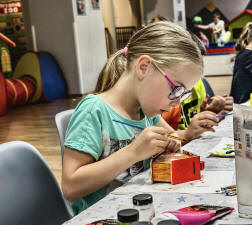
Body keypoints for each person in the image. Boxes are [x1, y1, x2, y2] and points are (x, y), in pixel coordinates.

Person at [62, 21, 219, 215]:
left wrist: (181, 137)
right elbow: (70, 187)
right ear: (144, 67)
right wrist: (133, 152)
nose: (177, 103)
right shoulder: (94, 111)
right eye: (176, 89)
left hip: (144, 210)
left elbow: (174, 138)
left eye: (183, 94)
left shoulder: (145, 112)